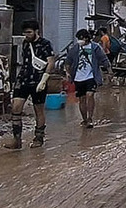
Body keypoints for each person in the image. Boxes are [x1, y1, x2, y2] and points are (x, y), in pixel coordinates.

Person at [10, 20, 55, 149]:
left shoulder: (45, 44)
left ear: (36, 31)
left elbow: (51, 62)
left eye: (29, 32)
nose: (27, 35)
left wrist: (44, 79)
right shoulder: (25, 43)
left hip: (38, 80)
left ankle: (39, 137)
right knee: (16, 107)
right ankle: (17, 139)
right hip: (23, 79)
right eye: (25, 33)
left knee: (38, 109)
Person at [65, 28, 111, 128]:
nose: (79, 41)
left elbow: (104, 59)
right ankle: (84, 119)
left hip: (91, 76)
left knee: (90, 95)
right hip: (78, 78)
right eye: (78, 39)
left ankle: (90, 118)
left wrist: (109, 72)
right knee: (82, 99)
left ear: (87, 38)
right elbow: (68, 62)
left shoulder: (95, 47)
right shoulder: (75, 49)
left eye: (81, 38)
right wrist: (68, 73)